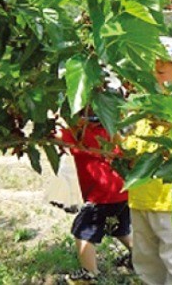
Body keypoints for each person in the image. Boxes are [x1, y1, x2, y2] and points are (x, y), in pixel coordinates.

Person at [122, 36, 172, 285]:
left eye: (165, 61)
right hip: (140, 197)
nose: (158, 65)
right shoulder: (138, 105)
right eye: (153, 60)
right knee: (146, 261)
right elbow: (126, 143)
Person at [58, 111, 133, 285]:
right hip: (122, 192)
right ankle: (139, 259)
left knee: (82, 232)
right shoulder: (113, 132)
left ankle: (89, 274)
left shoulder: (81, 135)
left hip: (101, 196)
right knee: (120, 229)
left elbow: (53, 134)